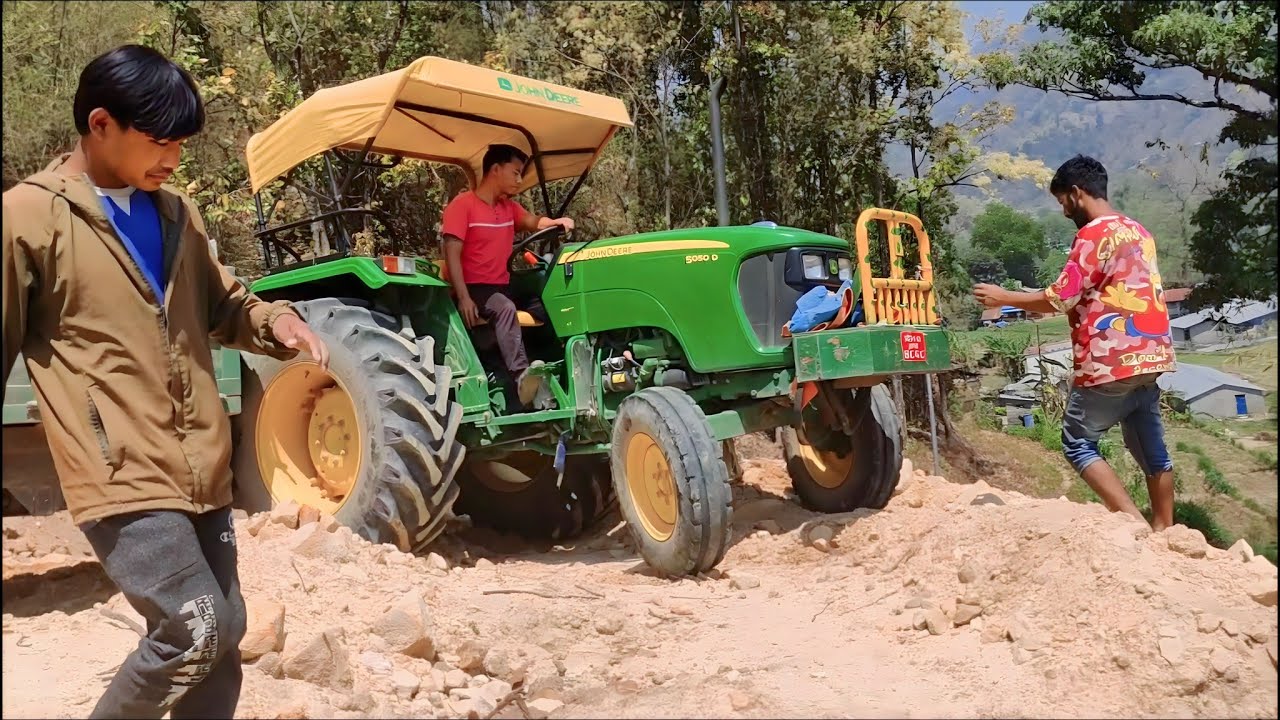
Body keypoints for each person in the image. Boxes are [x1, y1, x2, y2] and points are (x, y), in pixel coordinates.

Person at [2, 45, 329, 719]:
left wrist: (279, 324)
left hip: (200, 463)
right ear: (100, 125)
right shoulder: (28, 218)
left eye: (180, 144)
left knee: (225, 633)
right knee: (192, 628)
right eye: (158, 142)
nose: (172, 160)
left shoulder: (177, 213)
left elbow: (225, 308)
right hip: (117, 466)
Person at [973, 154, 1176, 532]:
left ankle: (1135, 527)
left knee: (1077, 442)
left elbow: (1060, 296)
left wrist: (1005, 297)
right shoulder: (1138, 232)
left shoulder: (1093, 235)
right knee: (1150, 447)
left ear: (1077, 193)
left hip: (1109, 360)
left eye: (1062, 202)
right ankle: (1166, 529)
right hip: (1151, 356)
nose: (1065, 212)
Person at [441, 144, 574, 407]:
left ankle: (555, 366)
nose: (519, 179)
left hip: (502, 284)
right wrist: (464, 298)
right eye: (515, 172)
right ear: (495, 170)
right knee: (505, 308)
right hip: (475, 287)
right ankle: (522, 377)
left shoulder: (507, 208)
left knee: (549, 300)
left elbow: (533, 222)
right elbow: (452, 255)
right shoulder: (463, 206)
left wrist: (556, 223)